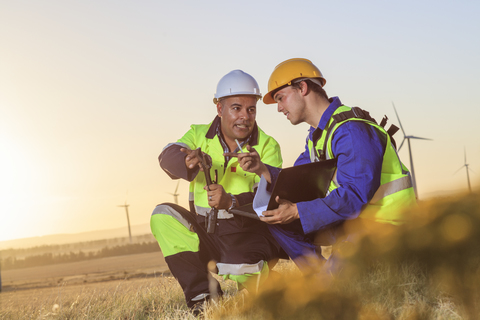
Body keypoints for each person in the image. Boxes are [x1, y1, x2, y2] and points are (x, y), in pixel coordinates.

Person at [235, 58, 417, 272]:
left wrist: (296, 211)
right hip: (354, 221)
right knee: (274, 218)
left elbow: (355, 195)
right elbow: (297, 180)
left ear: (302, 87)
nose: (279, 108)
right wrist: (262, 169)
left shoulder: (351, 131)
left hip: (385, 225)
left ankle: (330, 280)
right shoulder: (318, 136)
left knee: (341, 285)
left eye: (281, 98)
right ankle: (317, 276)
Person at [150, 70, 283, 313]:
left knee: (255, 293)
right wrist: (188, 162)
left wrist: (230, 201)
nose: (245, 117)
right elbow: (167, 154)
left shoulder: (267, 146)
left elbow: (272, 198)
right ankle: (204, 298)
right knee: (162, 215)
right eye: (236, 108)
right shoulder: (198, 134)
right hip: (206, 232)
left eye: (251, 109)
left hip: (248, 236)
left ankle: (262, 285)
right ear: (219, 108)